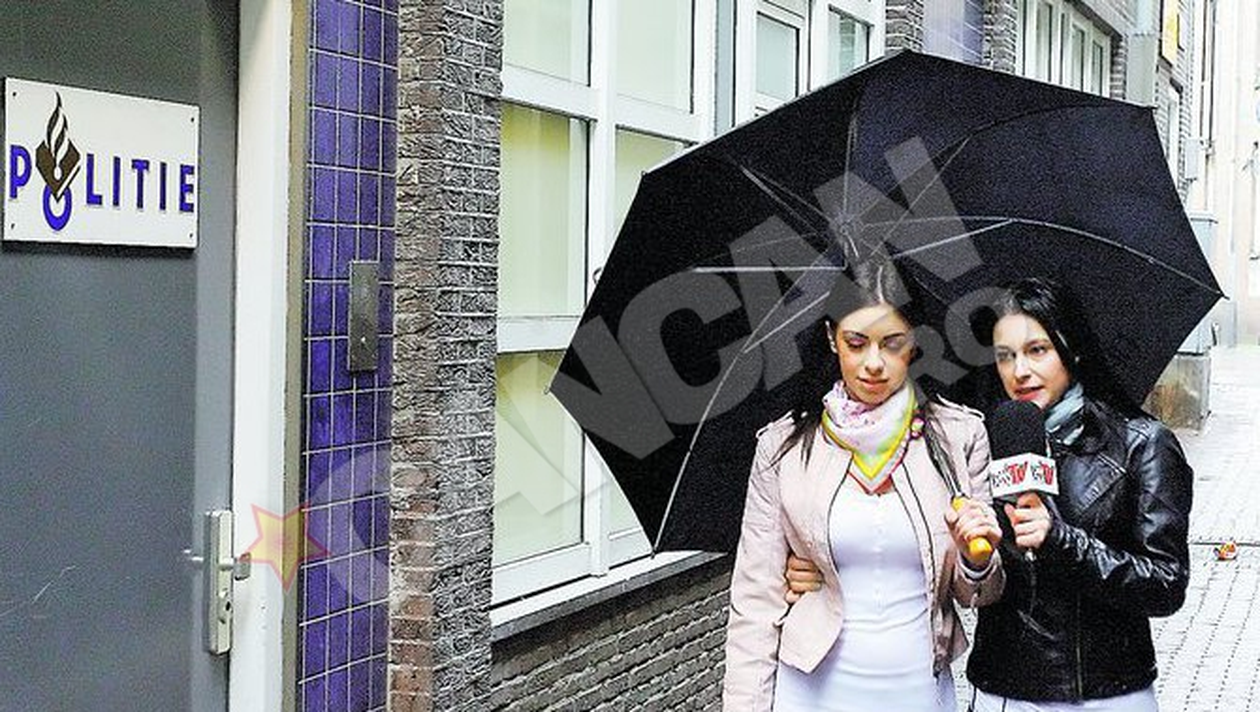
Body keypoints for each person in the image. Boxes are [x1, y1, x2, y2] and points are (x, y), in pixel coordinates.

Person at [784, 278, 1194, 711]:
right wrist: (829, 569)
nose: (1020, 371)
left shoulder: (1141, 443)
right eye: (1005, 356)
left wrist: (1061, 539)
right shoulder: (980, 439)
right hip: (1002, 689)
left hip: (1106, 693)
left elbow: (1165, 584)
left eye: (1037, 350)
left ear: (1071, 348)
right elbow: (939, 555)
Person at [723, 259, 1005, 712]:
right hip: (810, 693)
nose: (874, 364)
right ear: (831, 338)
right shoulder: (783, 448)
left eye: (893, 344)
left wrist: (977, 559)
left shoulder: (958, 437)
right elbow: (755, 601)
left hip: (916, 691)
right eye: (856, 343)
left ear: (915, 344)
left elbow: (980, 595)